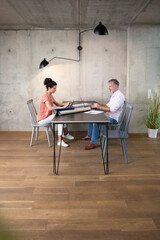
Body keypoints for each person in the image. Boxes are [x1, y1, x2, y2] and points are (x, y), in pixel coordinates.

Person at [82, 79, 125, 150]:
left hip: (113, 119)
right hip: (108, 115)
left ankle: (93, 143)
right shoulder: (114, 94)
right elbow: (108, 105)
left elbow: (111, 109)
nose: (109, 88)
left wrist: (99, 107)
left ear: (115, 86)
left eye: (110, 86)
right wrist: (98, 106)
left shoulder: (119, 96)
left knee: (96, 122)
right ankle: (90, 135)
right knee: (92, 116)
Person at [37, 78, 74, 147]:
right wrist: (63, 107)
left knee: (62, 117)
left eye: (55, 88)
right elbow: (50, 108)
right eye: (54, 88)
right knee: (60, 119)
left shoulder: (50, 95)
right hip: (42, 119)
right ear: (49, 88)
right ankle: (60, 141)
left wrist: (67, 104)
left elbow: (57, 103)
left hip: (47, 116)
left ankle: (65, 134)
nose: (55, 90)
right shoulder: (45, 96)